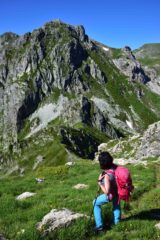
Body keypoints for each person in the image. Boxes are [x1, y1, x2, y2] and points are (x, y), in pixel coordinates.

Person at [93, 151, 121, 233]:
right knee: (116, 206)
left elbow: (107, 192)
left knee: (95, 203)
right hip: (118, 192)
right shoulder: (115, 167)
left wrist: (99, 182)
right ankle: (117, 224)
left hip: (111, 195)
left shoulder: (107, 176)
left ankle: (100, 227)